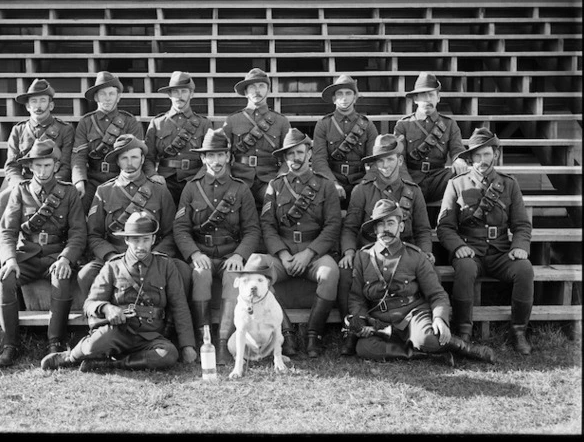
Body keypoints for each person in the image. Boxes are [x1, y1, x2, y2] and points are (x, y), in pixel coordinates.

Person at [41, 211, 196, 372]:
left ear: (153, 240)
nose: (140, 246)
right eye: (135, 240)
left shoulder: (165, 265)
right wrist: (107, 309)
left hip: (150, 336)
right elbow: (90, 304)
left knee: (168, 354)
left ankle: (112, 364)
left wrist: (188, 346)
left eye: (145, 240)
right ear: (127, 240)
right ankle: (69, 357)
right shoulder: (113, 266)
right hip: (118, 332)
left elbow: (180, 307)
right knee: (93, 345)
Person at [348, 199, 495, 365]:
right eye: (381, 224)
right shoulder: (363, 257)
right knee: (364, 348)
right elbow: (356, 297)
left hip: (413, 315)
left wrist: (439, 318)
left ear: (401, 227)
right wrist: (359, 320)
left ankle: (467, 349)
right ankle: (425, 356)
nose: (386, 229)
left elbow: (437, 294)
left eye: (391, 223)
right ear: (375, 229)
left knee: (428, 339)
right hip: (380, 320)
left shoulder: (415, 256)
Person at [436, 128, 534, 355]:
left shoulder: (509, 184)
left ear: (495, 155)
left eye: (487, 155)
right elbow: (445, 226)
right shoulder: (457, 184)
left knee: (525, 269)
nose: (482, 161)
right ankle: (463, 332)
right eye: (477, 156)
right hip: (470, 250)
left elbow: (521, 225)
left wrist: (520, 247)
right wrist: (458, 247)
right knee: (465, 268)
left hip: (501, 252)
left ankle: (518, 331)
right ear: (470, 158)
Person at [337, 133, 433, 356]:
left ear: (399, 160)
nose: (385, 165)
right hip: (370, 254)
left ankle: (429, 328)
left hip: (403, 253)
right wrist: (349, 251)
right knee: (344, 273)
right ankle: (352, 331)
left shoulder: (413, 191)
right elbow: (350, 226)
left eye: (390, 159)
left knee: (428, 271)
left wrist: (426, 252)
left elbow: (422, 230)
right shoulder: (362, 190)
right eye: (380, 160)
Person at [0, 139, 86, 367]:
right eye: (38, 166)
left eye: (47, 165)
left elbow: (78, 233)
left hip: (55, 255)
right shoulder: (20, 191)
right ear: (30, 167)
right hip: (26, 257)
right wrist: (9, 260)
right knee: (5, 280)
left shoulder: (68, 192)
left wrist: (66, 258)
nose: (43, 171)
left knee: (62, 278)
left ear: (55, 165)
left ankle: (56, 342)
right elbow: (7, 231)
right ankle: (9, 344)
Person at [173, 128, 262, 365]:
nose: (216, 161)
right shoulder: (191, 188)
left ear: (228, 157)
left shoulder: (240, 189)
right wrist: (193, 253)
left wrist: (239, 255)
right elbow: (180, 228)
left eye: (221, 154)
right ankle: (205, 339)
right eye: (210, 156)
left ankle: (223, 342)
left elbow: (252, 229)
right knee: (200, 274)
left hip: (229, 254)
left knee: (234, 276)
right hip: (202, 252)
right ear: (203, 159)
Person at [77, 134, 191, 303]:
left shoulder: (159, 191)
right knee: (86, 274)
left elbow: (171, 232)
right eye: (124, 158)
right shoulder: (104, 191)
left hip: (151, 253)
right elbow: (94, 235)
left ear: (143, 159)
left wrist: (155, 255)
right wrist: (110, 256)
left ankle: (170, 323)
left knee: (183, 271)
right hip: (115, 254)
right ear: (117, 161)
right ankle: (102, 320)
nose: (129, 163)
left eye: (134, 157)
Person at [0, 79, 74, 276]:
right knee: (3, 200)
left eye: (42, 101)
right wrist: (19, 185)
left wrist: (51, 183)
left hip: (52, 179)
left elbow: (64, 164)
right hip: (23, 181)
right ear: (27, 106)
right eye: (33, 102)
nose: (38, 106)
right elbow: (11, 165)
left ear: (51, 104)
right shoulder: (19, 130)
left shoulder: (65, 130)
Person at [259, 128, 342, 358]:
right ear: (284, 158)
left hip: (313, 252)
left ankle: (313, 335)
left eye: (299, 152)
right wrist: (283, 255)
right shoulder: (275, 186)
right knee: (256, 265)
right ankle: (285, 333)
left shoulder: (325, 186)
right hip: (283, 253)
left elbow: (333, 226)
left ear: (309, 153)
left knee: (330, 272)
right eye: (290, 155)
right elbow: (267, 226)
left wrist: (309, 253)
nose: (295, 158)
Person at [72, 71, 143, 213]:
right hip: (93, 179)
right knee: (78, 207)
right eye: (103, 94)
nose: (107, 98)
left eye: (111, 94)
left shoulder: (129, 121)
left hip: (121, 176)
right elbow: (79, 156)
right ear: (96, 97)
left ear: (118, 97)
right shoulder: (86, 122)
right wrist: (79, 182)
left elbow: (138, 154)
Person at [394, 72, 469, 206]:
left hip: (439, 178)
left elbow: (457, 149)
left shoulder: (449, 124)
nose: (427, 99)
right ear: (415, 99)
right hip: (413, 177)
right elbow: (399, 159)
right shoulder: (403, 125)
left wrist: (459, 159)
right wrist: (407, 182)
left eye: (431, 95)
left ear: (438, 98)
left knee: (465, 177)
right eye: (423, 95)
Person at [222, 68, 290, 209]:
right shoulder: (232, 121)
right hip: (239, 179)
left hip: (269, 179)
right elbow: (222, 155)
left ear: (268, 90)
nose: (257, 90)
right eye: (252, 87)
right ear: (246, 92)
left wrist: (278, 180)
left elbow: (288, 157)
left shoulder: (281, 121)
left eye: (261, 86)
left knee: (278, 201)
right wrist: (228, 180)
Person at [143, 71, 211, 206]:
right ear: (169, 95)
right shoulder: (157, 123)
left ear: (191, 94)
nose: (180, 96)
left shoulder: (204, 123)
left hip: (194, 178)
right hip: (165, 180)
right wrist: (153, 175)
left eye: (184, 91)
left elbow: (209, 157)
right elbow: (148, 157)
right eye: (175, 92)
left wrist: (200, 179)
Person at [312, 74, 378, 207]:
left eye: (348, 93)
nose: (344, 97)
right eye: (339, 93)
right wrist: (333, 183)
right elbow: (319, 160)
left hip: (360, 179)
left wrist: (363, 184)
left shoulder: (368, 125)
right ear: (334, 99)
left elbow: (374, 161)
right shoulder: (323, 124)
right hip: (333, 178)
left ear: (355, 98)